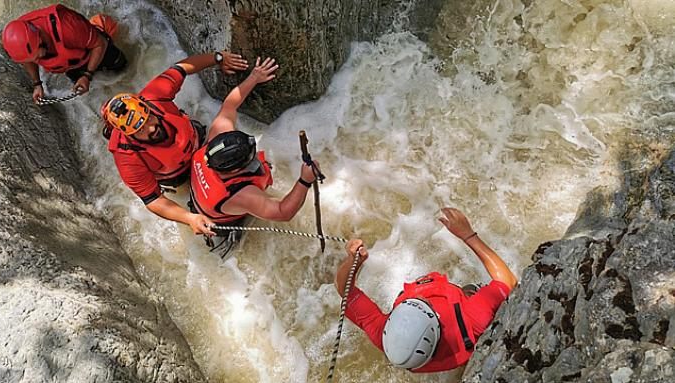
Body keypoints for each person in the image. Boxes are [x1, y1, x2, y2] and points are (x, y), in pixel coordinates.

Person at [335, 207, 518, 372]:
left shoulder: (386, 337)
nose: (422, 297)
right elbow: (508, 281)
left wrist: (353, 262)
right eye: (426, 304)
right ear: (437, 322)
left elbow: (345, 290)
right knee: (474, 291)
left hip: (433, 353)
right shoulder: (471, 319)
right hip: (462, 319)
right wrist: (468, 235)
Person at [100, 51, 249, 236]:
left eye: (148, 119)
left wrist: (219, 58)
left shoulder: (154, 96)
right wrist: (189, 218)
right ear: (129, 135)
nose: (151, 129)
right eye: (140, 131)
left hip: (197, 140)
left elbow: (181, 68)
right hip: (178, 174)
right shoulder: (127, 157)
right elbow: (153, 200)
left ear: (147, 108)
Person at [188, 57, 323, 256]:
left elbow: (229, 106)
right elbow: (282, 213)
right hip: (221, 220)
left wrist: (254, 77)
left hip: (203, 198)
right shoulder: (241, 194)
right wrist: (305, 180)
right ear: (235, 170)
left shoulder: (214, 143)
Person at [2, 4, 127, 103]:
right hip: (72, 64)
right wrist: (37, 84)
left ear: (40, 40)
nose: (37, 60)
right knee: (89, 90)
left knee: (123, 68)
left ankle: (100, 26)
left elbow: (100, 44)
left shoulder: (68, 28)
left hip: (95, 49)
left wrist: (87, 75)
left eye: (36, 56)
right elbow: (27, 60)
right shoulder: (23, 37)